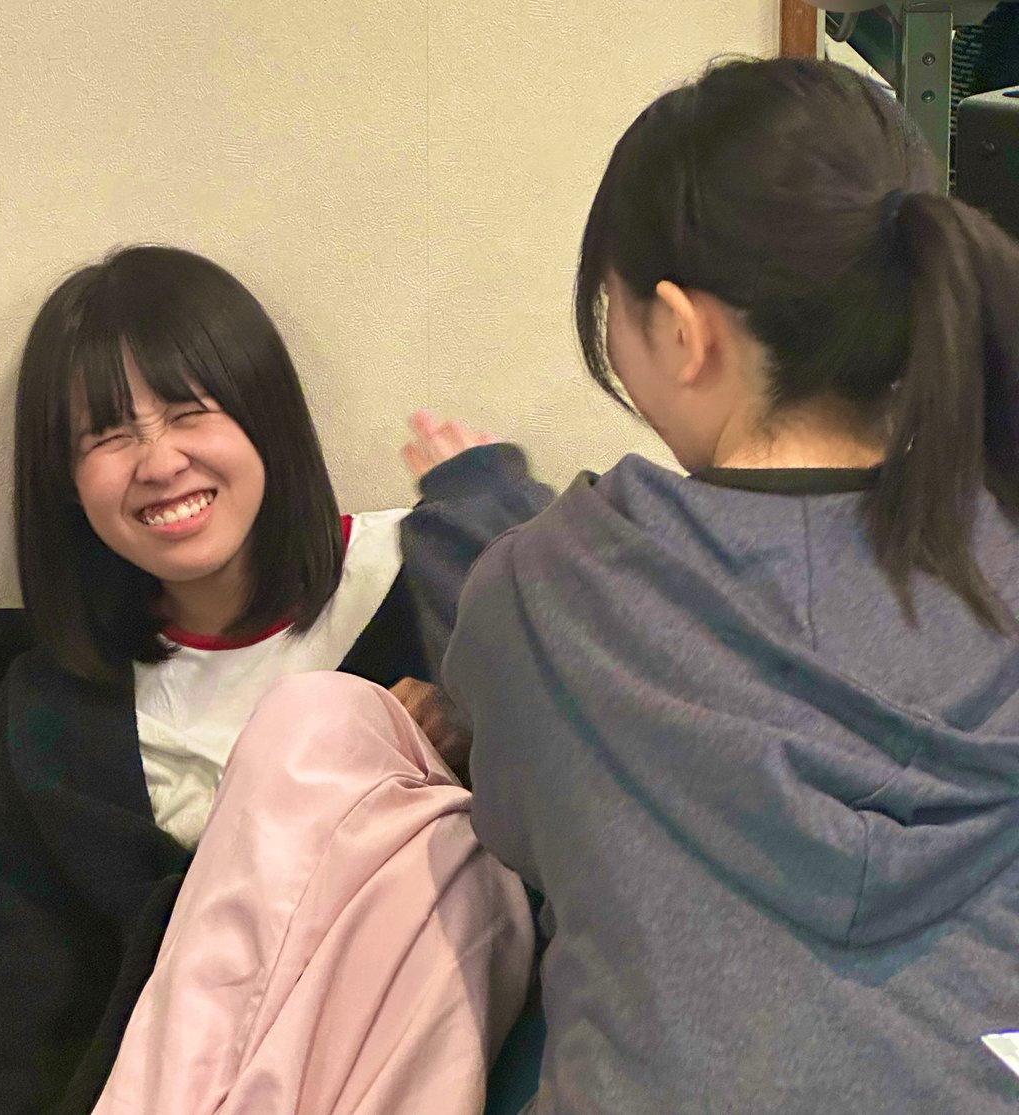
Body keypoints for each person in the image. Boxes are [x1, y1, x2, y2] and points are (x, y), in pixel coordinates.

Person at [404, 57, 1019, 1113]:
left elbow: (517, 816)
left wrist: (471, 501)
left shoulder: (549, 586)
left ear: (686, 334)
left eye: (614, 309)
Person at [0, 245, 550, 1114]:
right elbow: (0, 1026)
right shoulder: (53, 716)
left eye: (190, 412)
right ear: (66, 482)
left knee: (328, 728)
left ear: (265, 415)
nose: (158, 462)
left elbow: (597, 799)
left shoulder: (431, 586)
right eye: (108, 435)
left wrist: (486, 550)